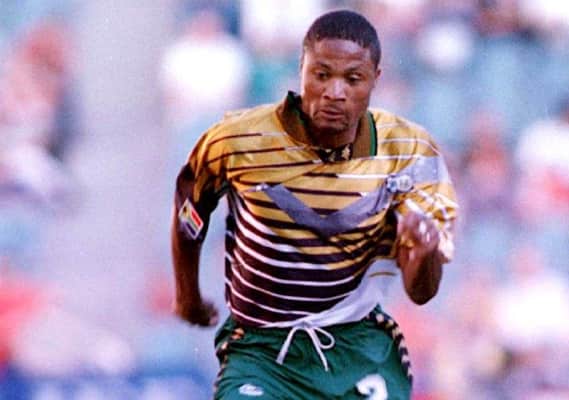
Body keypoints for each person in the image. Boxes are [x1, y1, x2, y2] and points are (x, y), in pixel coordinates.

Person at [171, 9, 458, 400]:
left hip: (358, 347)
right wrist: (187, 296)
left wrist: (424, 252)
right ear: (301, 69)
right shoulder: (237, 140)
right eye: (321, 74)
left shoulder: (410, 151)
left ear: (375, 78)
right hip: (262, 349)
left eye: (352, 79)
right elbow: (189, 212)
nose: (334, 92)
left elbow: (421, 292)